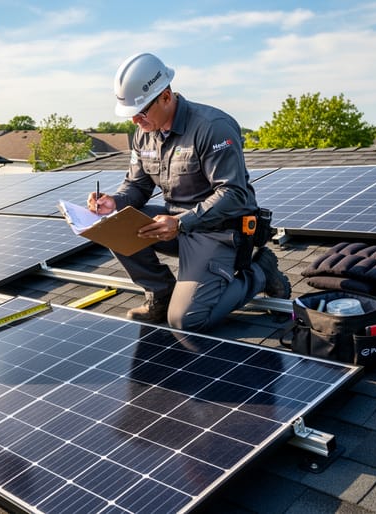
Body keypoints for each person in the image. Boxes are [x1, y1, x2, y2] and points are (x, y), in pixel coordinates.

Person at [88, 52, 290, 332]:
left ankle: (259, 273)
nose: (135, 120)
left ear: (166, 97)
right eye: (130, 114)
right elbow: (137, 185)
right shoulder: (144, 133)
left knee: (186, 320)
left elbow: (234, 194)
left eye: (141, 111)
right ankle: (160, 292)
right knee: (115, 223)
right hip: (177, 226)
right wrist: (113, 202)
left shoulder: (212, 128)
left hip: (219, 231)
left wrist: (182, 223)